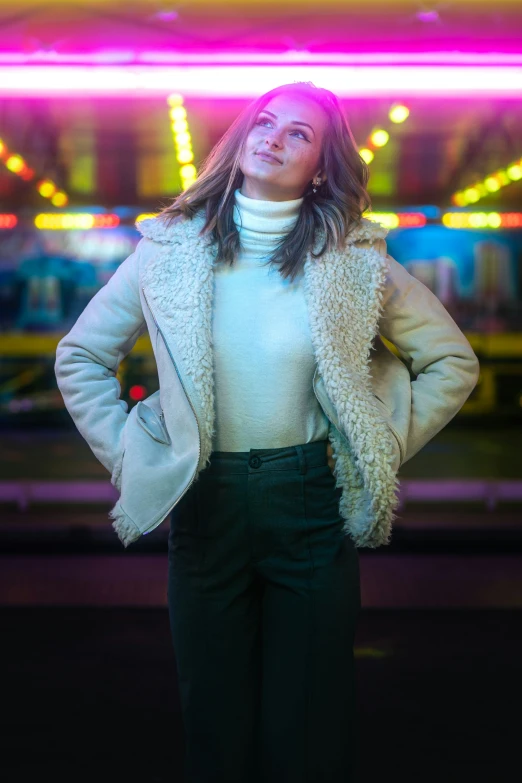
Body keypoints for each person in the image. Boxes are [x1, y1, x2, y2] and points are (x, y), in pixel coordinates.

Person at [55, 81, 480, 783]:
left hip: (311, 504)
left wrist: (375, 444)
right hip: (205, 503)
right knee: (215, 725)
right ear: (241, 135)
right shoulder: (168, 250)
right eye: (265, 122)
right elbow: (82, 356)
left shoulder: (354, 259)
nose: (273, 139)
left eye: (298, 134)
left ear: (320, 166)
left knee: (309, 730)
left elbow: (450, 360)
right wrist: (134, 456)